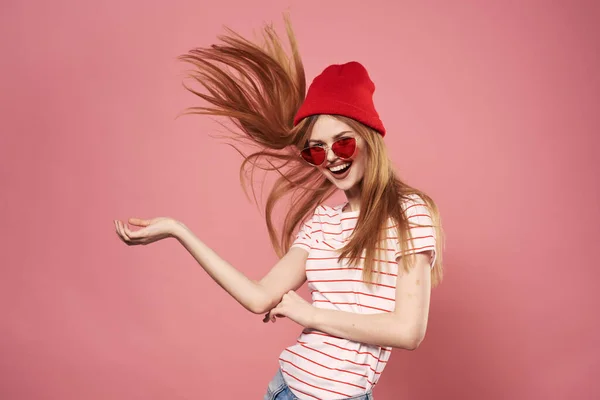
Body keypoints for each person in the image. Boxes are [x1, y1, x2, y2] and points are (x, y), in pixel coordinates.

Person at [114, 17, 443, 400]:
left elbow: (408, 331)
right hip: (285, 390)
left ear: (370, 139)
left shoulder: (409, 213)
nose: (331, 158)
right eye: (317, 149)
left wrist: (309, 315)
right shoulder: (321, 224)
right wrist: (178, 230)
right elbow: (259, 297)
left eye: (344, 143)